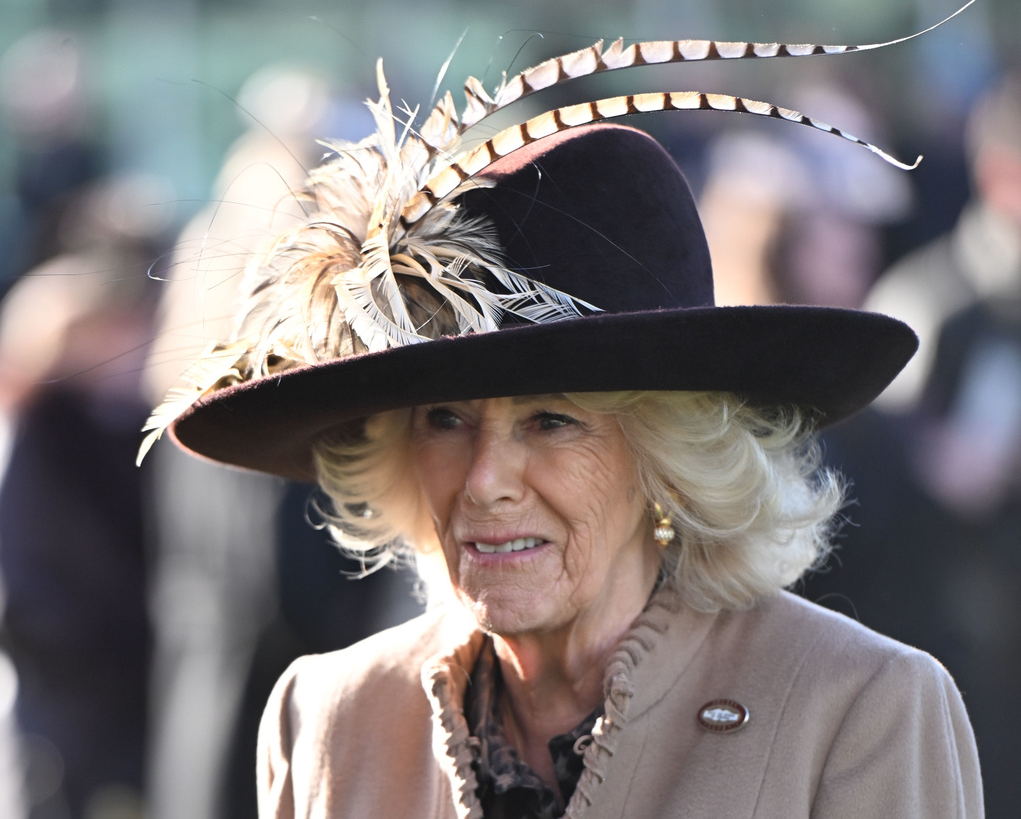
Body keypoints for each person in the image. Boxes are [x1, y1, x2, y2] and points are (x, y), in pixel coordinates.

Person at [143, 26, 983, 818]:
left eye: (550, 421)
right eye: (443, 418)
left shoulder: (858, 707)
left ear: (666, 454)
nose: (484, 480)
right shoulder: (329, 715)